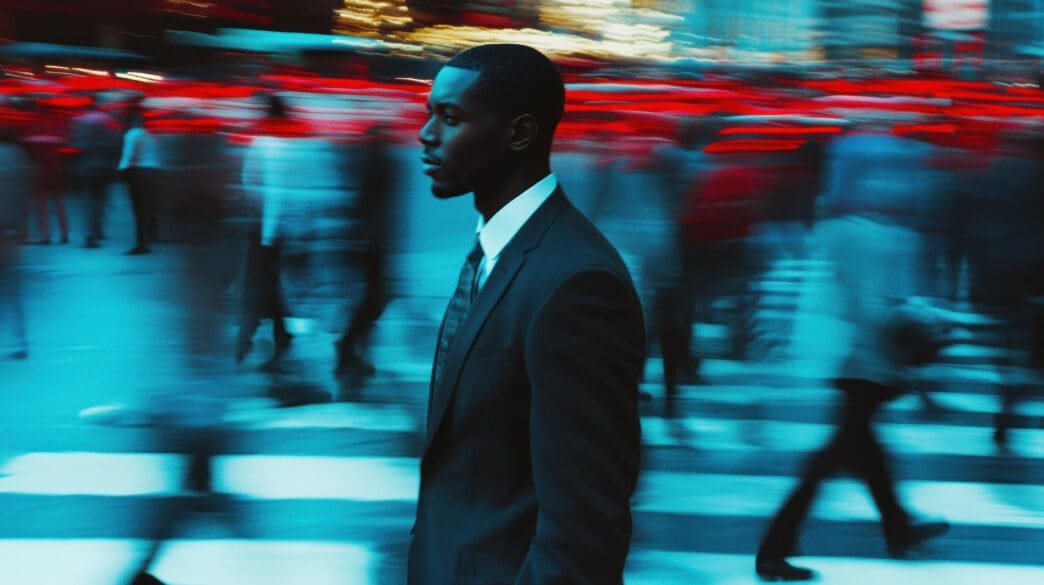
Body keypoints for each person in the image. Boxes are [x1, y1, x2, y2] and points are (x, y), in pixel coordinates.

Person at [408, 44, 646, 585]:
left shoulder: (576, 285)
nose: (426, 134)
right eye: (430, 114)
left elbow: (584, 527)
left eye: (450, 118)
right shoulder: (500, 252)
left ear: (519, 134)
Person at [754, 152, 950, 580]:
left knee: (865, 450)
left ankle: (899, 528)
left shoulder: (843, 232)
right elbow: (872, 308)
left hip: (852, 359)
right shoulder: (877, 238)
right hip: (866, 362)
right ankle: (774, 548)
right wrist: (917, 334)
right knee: (831, 459)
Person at [68, 93, 123, 248]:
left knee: (88, 201)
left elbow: (77, 146)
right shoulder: (110, 122)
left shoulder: (80, 121)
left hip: (86, 167)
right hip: (105, 167)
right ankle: (98, 229)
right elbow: (116, 145)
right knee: (101, 199)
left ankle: (89, 234)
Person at [117, 97, 161, 255]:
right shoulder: (150, 136)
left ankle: (141, 243)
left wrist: (121, 171)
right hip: (153, 172)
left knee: (138, 209)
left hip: (138, 174)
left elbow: (128, 157)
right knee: (148, 207)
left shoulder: (131, 134)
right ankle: (151, 236)